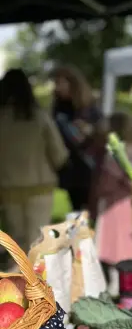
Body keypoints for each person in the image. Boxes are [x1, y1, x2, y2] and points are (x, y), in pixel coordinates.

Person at [0, 69, 68, 254]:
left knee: (17, 242)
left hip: (8, 188)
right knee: (38, 241)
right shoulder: (40, 117)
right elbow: (59, 155)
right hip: (40, 187)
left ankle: (17, 272)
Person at [51, 65, 105, 212]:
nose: (57, 88)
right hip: (71, 169)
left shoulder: (90, 108)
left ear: (73, 83)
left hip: (90, 168)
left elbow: (104, 134)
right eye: (56, 83)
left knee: (93, 210)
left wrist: (90, 130)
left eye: (60, 83)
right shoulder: (58, 108)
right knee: (77, 209)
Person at [95, 112, 132, 282]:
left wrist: (99, 190)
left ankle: (114, 281)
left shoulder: (115, 153)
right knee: (126, 243)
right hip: (130, 202)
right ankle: (124, 279)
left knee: (113, 241)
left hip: (113, 204)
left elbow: (107, 182)